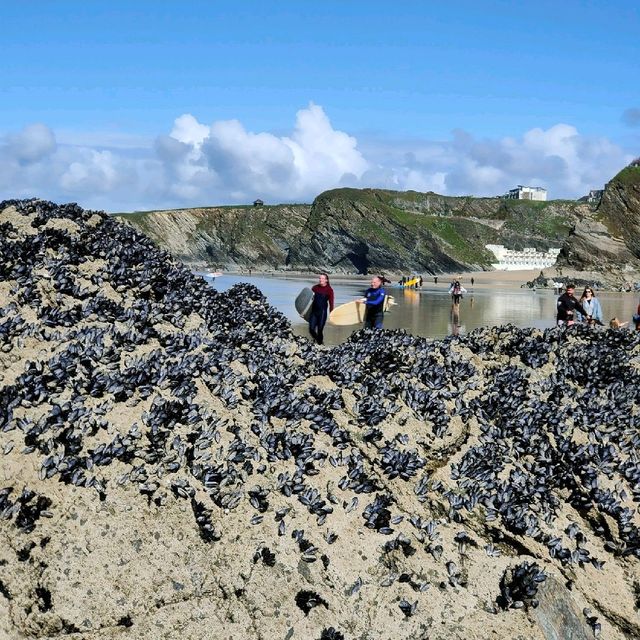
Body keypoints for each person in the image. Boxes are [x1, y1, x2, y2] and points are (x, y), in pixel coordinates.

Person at [308, 273, 334, 345]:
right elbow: (308, 300)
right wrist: (304, 312)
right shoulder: (314, 288)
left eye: (322, 278)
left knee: (320, 330)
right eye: (319, 278)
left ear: (326, 280)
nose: (320, 280)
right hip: (314, 312)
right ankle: (319, 341)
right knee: (311, 329)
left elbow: (331, 303)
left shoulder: (329, 290)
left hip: (322, 313)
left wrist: (331, 314)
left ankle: (320, 345)